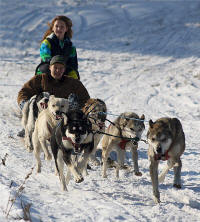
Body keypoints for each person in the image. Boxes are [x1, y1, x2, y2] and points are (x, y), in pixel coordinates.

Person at [17, 55, 90, 137]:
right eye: (55, 67)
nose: (58, 70)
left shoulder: (72, 83)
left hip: (62, 115)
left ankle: (74, 132)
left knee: (73, 102)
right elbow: (24, 92)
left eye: (61, 68)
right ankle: (30, 128)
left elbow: (85, 98)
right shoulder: (40, 79)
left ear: (64, 69)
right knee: (40, 98)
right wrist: (25, 105)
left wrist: (82, 109)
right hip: (41, 114)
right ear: (50, 68)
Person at [35, 15, 79, 79]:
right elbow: (45, 58)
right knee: (43, 74)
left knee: (74, 75)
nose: (59, 29)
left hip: (64, 69)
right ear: (53, 28)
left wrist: (64, 69)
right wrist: (56, 68)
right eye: (56, 26)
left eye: (62, 27)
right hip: (48, 68)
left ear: (66, 29)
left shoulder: (70, 46)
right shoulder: (47, 43)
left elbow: (73, 64)